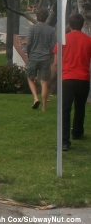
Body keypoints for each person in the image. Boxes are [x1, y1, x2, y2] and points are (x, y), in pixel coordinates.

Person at [54, 13, 91, 151]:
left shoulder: (63, 40)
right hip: (83, 78)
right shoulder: (88, 40)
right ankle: (77, 132)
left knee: (65, 109)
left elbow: (56, 61)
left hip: (67, 78)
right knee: (80, 107)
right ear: (82, 25)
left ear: (69, 25)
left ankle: (64, 141)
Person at [26, 8, 56, 111]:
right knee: (44, 82)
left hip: (33, 56)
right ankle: (44, 107)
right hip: (45, 58)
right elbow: (53, 45)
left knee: (30, 78)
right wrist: (50, 55)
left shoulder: (32, 29)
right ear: (46, 17)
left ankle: (35, 98)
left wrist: (29, 53)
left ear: (37, 17)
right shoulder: (51, 30)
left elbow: (29, 43)